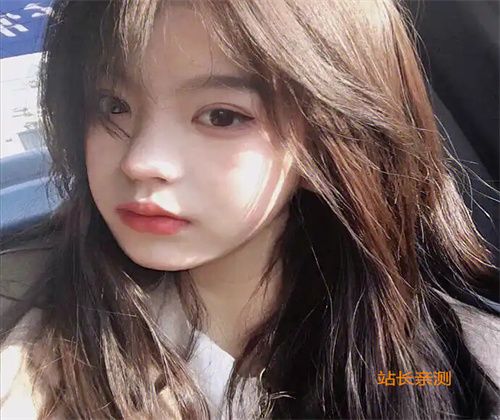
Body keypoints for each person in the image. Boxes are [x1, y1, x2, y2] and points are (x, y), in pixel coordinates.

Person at [0, 0, 499, 418]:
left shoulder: (458, 367)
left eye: (222, 116)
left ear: (329, 134)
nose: (140, 161)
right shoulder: (34, 340)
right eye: (113, 106)